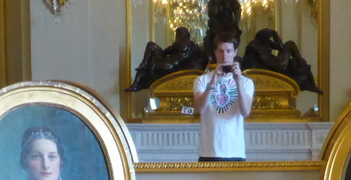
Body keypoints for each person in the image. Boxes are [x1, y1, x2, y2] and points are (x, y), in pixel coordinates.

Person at [192, 33, 254, 161]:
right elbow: (200, 109)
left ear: (235, 52)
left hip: (235, 151)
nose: (225, 56)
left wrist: (238, 82)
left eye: (228, 51)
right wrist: (212, 83)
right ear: (215, 53)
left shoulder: (246, 83)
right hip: (209, 152)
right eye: (220, 51)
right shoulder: (202, 80)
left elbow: (246, 111)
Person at [241, 28, 322, 94]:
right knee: (290, 44)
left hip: (274, 65)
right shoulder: (255, 46)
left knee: (301, 63)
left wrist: (275, 34)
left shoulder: (265, 43)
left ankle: (310, 81)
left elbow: (280, 47)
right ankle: (310, 81)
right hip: (274, 67)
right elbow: (277, 62)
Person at [125, 27, 207, 92]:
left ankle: (137, 80)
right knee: (149, 58)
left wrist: (173, 47)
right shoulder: (193, 47)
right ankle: (141, 70)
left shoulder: (179, 44)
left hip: (167, 65)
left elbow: (165, 52)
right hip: (169, 65)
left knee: (150, 47)